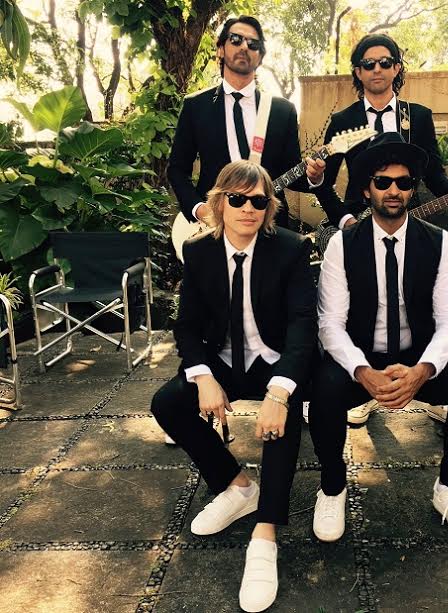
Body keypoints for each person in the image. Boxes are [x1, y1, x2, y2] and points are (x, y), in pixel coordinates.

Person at [309, 132, 448, 547]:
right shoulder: (342, 245)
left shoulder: (439, 242)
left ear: (413, 189)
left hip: (418, 356)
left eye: (404, 182)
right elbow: (330, 323)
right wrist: (362, 372)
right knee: (323, 389)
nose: (393, 190)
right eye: (383, 182)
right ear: (366, 189)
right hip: (362, 357)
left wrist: (422, 371)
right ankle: (332, 488)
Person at [151, 160, 317, 612]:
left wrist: (279, 392)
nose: (248, 208)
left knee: (281, 416)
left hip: (274, 359)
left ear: (268, 208)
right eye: (237, 199)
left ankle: (266, 533)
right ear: (219, 203)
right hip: (223, 359)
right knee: (168, 403)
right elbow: (187, 327)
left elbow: (303, 325)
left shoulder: (290, 249)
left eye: (258, 201)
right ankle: (239, 486)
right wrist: (203, 376)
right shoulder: (199, 251)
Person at [313, 32, 448, 425]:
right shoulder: (343, 121)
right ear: (358, 72)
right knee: (361, 303)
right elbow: (324, 183)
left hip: (405, 217)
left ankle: (425, 379)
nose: (377, 69)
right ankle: (366, 386)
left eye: (385, 62)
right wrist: (344, 220)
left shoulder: (415, 116)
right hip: (358, 223)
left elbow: (433, 173)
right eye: (368, 64)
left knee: (415, 296)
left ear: (397, 68)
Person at [168, 15, 325, 229]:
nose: (244, 46)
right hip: (214, 227)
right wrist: (199, 209)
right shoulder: (196, 106)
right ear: (220, 49)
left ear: (260, 57)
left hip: (269, 226)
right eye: (236, 39)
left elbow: (292, 173)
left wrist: (314, 177)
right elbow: (177, 169)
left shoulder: (282, 111)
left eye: (253, 44)